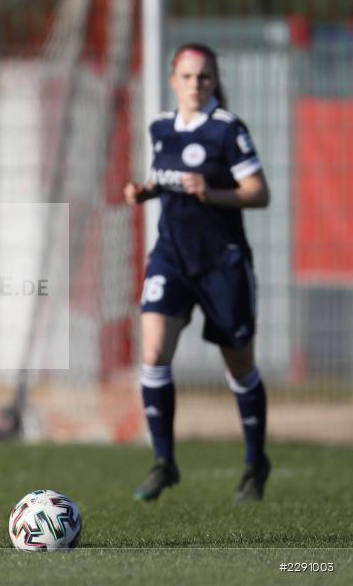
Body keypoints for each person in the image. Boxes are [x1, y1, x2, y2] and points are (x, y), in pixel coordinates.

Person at [124, 43, 271, 503]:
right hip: (171, 256)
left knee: (240, 366)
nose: (195, 85)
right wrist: (144, 192)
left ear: (214, 81)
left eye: (204, 77)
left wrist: (213, 191)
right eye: (187, 77)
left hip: (221, 261)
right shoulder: (161, 128)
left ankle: (254, 464)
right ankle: (163, 461)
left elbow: (258, 193)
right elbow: (167, 183)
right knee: (152, 352)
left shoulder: (228, 131)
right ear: (173, 79)